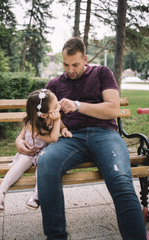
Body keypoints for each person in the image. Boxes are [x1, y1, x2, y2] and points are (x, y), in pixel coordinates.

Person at [15, 37, 147, 239]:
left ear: (85, 58)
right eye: (66, 65)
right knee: (46, 161)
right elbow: (36, 113)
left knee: (121, 180)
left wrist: (78, 105)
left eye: (75, 64)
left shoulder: (102, 73)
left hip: (105, 135)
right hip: (70, 138)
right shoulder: (55, 84)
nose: (70, 70)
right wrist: (19, 138)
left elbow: (113, 109)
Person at [0, 89, 71, 213]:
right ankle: (0, 193)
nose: (58, 106)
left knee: (43, 165)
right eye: (55, 106)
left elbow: (61, 127)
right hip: (29, 151)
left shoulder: (51, 117)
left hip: (43, 153)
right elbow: (53, 138)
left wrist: (64, 129)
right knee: (19, 166)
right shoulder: (33, 124)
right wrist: (57, 120)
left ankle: (36, 195)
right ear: (43, 115)